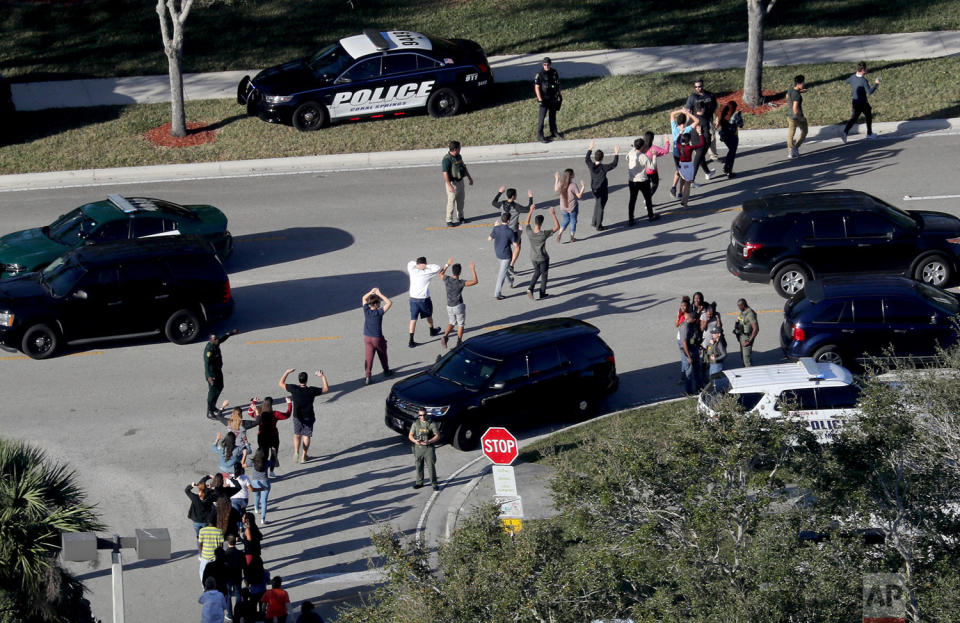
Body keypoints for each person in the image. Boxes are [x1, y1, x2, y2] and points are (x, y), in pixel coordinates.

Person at [279, 368, 328, 463]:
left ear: (299, 380)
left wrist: (287, 372)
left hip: (297, 416)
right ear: (306, 380)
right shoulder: (311, 390)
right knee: (306, 435)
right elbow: (325, 389)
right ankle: (304, 456)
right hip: (309, 416)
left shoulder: (294, 389)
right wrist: (322, 377)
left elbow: (281, 383)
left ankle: (296, 451)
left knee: (297, 434)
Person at [406, 256, 447, 347]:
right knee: (428, 315)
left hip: (413, 299)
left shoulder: (412, 270)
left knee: (413, 319)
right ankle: (432, 330)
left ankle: (411, 341)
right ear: (425, 264)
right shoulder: (428, 272)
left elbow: (410, 262)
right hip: (424, 299)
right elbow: (438, 267)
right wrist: (426, 266)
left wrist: (417, 265)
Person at [438, 261, 479, 350]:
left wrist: (447, 264)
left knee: (452, 322)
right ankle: (459, 341)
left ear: (452, 271)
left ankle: (445, 336)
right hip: (458, 305)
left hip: (449, 306)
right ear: (460, 272)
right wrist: (473, 270)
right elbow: (475, 281)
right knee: (460, 323)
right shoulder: (460, 283)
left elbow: (440, 274)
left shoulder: (447, 279)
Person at [524, 205, 560, 300]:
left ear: (535, 222)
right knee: (544, 275)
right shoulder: (543, 234)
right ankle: (540, 291)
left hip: (533, 257)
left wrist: (531, 211)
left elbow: (527, 223)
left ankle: (531, 289)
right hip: (543, 258)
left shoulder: (530, 233)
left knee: (537, 271)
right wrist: (553, 214)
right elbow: (557, 227)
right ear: (541, 223)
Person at [248, 396, 291, 476]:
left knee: (264, 454)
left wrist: (254, 402)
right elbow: (287, 415)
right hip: (273, 437)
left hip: (262, 437)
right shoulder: (275, 414)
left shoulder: (259, 412)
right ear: (271, 404)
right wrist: (289, 403)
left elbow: (250, 412)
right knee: (274, 452)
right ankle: (271, 471)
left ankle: (264, 471)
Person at [204, 329, 240, 419]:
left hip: (218, 371)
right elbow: (207, 365)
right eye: (215, 339)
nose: (217, 340)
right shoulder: (209, 350)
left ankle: (213, 406)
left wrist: (231, 333)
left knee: (220, 387)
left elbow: (223, 338)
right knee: (212, 393)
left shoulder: (216, 343)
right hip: (212, 375)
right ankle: (209, 411)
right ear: (210, 340)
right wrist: (209, 377)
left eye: (217, 338)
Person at [361, 287, 394, 385]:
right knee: (382, 354)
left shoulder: (366, 310)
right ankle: (386, 371)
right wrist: (379, 294)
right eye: (379, 302)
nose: (380, 303)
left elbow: (363, 298)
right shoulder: (379, 312)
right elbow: (389, 302)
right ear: (376, 304)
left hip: (367, 338)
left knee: (369, 358)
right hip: (377, 338)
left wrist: (370, 292)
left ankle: (368, 376)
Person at [841, 61, 880, 142]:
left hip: (855, 102)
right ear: (862, 70)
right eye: (865, 68)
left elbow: (846, 81)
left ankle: (845, 132)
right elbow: (869, 92)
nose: (866, 69)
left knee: (854, 118)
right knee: (868, 116)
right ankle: (869, 134)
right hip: (863, 103)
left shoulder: (852, 77)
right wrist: (876, 84)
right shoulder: (863, 80)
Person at [585, 140, 619, 231]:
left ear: (595, 157)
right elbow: (614, 164)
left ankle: (594, 221)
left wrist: (590, 148)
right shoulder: (603, 168)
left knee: (597, 203)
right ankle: (598, 225)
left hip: (594, 189)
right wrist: (616, 153)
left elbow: (587, 158)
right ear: (602, 158)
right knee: (601, 207)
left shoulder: (591, 166)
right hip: (602, 190)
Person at [491, 186, 533, 258]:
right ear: (513, 196)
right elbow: (528, 209)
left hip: (504, 229)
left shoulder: (502, 204)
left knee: (506, 245)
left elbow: (493, 202)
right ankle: (511, 264)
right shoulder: (516, 206)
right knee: (517, 247)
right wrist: (530, 198)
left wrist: (500, 192)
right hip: (513, 231)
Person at [684, 78, 719, 164]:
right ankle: (699, 157)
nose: (698, 88)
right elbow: (687, 111)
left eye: (699, 86)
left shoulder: (710, 95)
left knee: (711, 138)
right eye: (696, 87)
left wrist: (717, 118)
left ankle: (713, 156)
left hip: (708, 120)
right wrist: (687, 124)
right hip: (697, 122)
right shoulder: (692, 97)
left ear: (703, 85)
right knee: (697, 139)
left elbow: (716, 108)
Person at [626, 137, 658, 225]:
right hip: (643, 180)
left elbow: (627, 158)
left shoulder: (630, 153)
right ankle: (651, 216)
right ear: (642, 147)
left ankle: (631, 219)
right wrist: (654, 156)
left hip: (632, 180)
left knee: (632, 200)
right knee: (647, 198)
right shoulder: (644, 157)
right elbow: (652, 167)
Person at [441, 140, 473, 226]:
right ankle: (449, 220)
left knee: (461, 201)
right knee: (451, 202)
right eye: (459, 148)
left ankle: (461, 217)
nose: (460, 149)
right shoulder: (446, 160)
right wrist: (449, 185)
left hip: (460, 181)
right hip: (452, 183)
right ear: (455, 149)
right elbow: (445, 173)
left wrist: (469, 177)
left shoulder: (459, 156)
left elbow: (463, 167)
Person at [488, 213, 520, 300]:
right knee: (501, 274)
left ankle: (510, 282)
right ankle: (497, 294)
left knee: (504, 269)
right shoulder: (510, 231)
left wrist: (494, 227)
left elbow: (489, 239)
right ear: (509, 221)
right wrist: (519, 233)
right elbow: (516, 245)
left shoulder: (496, 228)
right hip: (506, 255)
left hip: (497, 253)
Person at [408, 409, 440, 490]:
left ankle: (434, 483)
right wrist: (416, 441)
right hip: (418, 448)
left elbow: (437, 436)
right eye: (420, 415)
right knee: (418, 465)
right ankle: (419, 482)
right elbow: (410, 435)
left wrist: (429, 441)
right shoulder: (416, 424)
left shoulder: (431, 423)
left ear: (427, 414)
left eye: (424, 415)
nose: (422, 417)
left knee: (431, 467)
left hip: (428, 448)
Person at [534, 57, 562, 143]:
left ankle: (554, 131)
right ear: (543, 65)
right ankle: (540, 135)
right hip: (544, 99)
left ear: (550, 64)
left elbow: (557, 84)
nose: (546, 66)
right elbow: (537, 87)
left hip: (553, 98)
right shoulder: (540, 74)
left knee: (552, 116)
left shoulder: (554, 72)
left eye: (548, 64)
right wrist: (540, 99)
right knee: (541, 118)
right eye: (544, 64)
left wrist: (558, 94)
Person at [668, 109, 696, 197]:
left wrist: (682, 111)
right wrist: (689, 114)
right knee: (682, 173)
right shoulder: (687, 129)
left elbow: (672, 114)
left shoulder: (674, 127)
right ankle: (679, 192)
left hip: (675, 153)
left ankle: (674, 188)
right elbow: (696, 121)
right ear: (685, 122)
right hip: (683, 154)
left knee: (678, 170)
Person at [676, 129, 705, 208]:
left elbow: (677, 141)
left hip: (681, 166)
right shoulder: (690, 148)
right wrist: (700, 133)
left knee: (682, 181)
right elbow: (702, 143)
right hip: (689, 167)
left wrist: (680, 133)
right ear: (689, 140)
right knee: (687, 186)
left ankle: (681, 197)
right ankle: (685, 203)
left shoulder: (679, 146)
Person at [554, 169, 585, 242]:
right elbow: (579, 196)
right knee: (573, 221)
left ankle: (560, 233)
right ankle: (572, 237)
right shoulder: (573, 185)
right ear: (571, 176)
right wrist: (583, 187)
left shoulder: (561, 183)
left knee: (566, 220)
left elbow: (556, 189)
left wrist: (557, 179)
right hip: (572, 208)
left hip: (563, 207)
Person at [678, 311, 702, 395]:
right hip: (688, 352)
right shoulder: (685, 327)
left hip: (694, 349)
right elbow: (684, 343)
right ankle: (689, 392)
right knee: (689, 373)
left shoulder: (692, 324)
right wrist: (689, 357)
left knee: (697, 370)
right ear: (694, 319)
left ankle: (699, 388)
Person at [642, 131, 670, 202]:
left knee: (647, 187)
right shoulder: (654, 148)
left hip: (643, 171)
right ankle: (647, 199)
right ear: (652, 139)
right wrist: (667, 141)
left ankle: (648, 202)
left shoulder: (641, 147)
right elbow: (666, 151)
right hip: (652, 171)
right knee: (655, 184)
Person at [248, 447, 273, 525]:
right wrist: (274, 454)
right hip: (265, 482)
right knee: (264, 501)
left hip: (255, 482)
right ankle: (263, 519)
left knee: (256, 495)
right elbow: (275, 464)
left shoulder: (253, 462)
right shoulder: (266, 462)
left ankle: (256, 508)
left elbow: (244, 465)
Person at [222, 534, 245, 619]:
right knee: (238, 594)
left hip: (228, 578)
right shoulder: (240, 553)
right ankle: (238, 613)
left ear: (228, 542)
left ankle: (230, 614)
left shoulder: (225, 554)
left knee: (228, 595)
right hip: (237, 576)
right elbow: (244, 566)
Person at [717, 101, 743, 176]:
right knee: (732, 153)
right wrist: (739, 115)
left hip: (724, 136)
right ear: (734, 108)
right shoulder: (735, 115)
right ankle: (728, 170)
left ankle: (726, 168)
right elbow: (740, 125)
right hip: (733, 136)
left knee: (730, 151)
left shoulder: (722, 114)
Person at [786, 75, 807, 158]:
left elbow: (787, 96)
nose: (804, 84)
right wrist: (800, 117)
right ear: (798, 84)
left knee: (791, 133)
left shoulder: (790, 89)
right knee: (805, 131)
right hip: (797, 117)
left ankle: (790, 151)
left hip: (789, 116)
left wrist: (799, 91)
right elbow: (795, 108)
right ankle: (795, 148)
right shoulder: (797, 96)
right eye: (803, 82)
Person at [735, 298, 759, 367]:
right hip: (742, 336)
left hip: (747, 337)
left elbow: (756, 329)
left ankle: (749, 372)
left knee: (746, 359)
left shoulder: (750, 314)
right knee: (743, 356)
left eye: (739, 306)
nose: (739, 307)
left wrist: (749, 341)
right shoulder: (743, 312)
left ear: (743, 305)